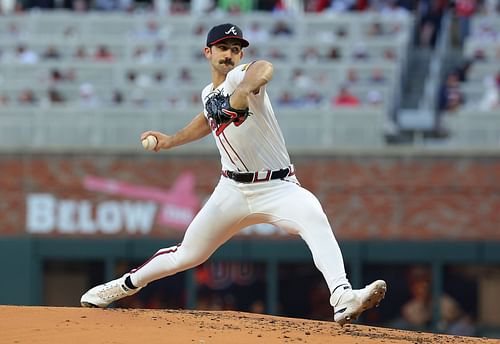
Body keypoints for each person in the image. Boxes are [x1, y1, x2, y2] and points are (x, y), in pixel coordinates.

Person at [80, 23, 387, 326]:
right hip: (232, 191)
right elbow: (207, 119)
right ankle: (122, 286)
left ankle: (343, 297)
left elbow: (263, 69)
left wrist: (240, 92)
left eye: (235, 49)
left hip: (279, 186)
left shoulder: (241, 76)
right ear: (207, 52)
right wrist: (171, 140)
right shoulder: (208, 93)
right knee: (187, 254)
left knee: (314, 216)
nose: (229, 55)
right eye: (223, 48)